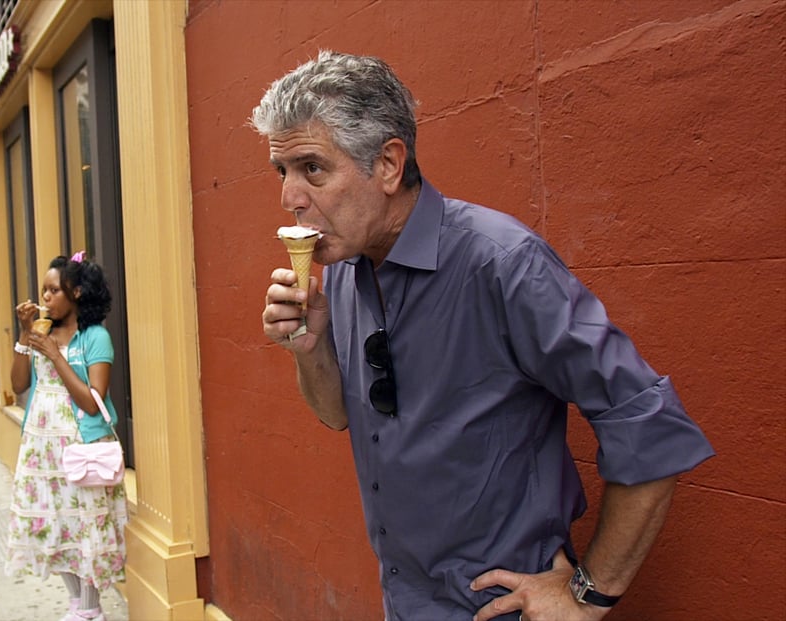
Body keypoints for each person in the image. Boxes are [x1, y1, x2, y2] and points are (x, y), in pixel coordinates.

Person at [254, 51, 715, 621]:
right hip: (404, 598)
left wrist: (589, 595)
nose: (289, 199)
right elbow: (338, 414)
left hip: (500, 608)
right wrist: (309, 348)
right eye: (283, 172)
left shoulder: (503, 264)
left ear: (389, 164)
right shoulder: (345, 271)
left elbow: (649, 424)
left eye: (312, 169)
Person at [4, 253, 127, 621]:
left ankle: (90, 610)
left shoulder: (95, 337)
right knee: (55, 527)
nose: (45, 297)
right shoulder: (42, 333)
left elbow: (93, 402)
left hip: (82, 447)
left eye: (53, 290)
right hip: (42, 452)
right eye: (43, 289)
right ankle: (78, 605)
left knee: (85, 527)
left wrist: (57, 356)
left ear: (76, 292)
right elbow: (17, 385)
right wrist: (26, 334)